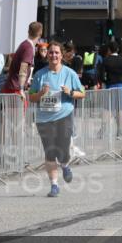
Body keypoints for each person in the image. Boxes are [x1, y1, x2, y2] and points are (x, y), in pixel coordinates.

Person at [29, 41, 85, 197]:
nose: (53, 55)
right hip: (44, 118)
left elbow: (82, 93)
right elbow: (31, 97)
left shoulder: (70, 74)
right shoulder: (40, 74)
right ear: (48, 55)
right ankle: (54, 185)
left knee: (63, 151)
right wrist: (40, 94)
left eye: (56, 52)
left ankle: (65, 165)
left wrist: (70, 92)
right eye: (51, 52)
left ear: (61, 55)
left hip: (64, 115)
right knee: (50, 152)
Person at [3, 22, 42, 95]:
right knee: (22, 106)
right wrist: (21, 89)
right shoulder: (28, 48)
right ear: (40, 34)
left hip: (13, 87)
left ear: (28, 31)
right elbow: (23, 68)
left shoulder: (24, 44)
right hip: (16, 90)